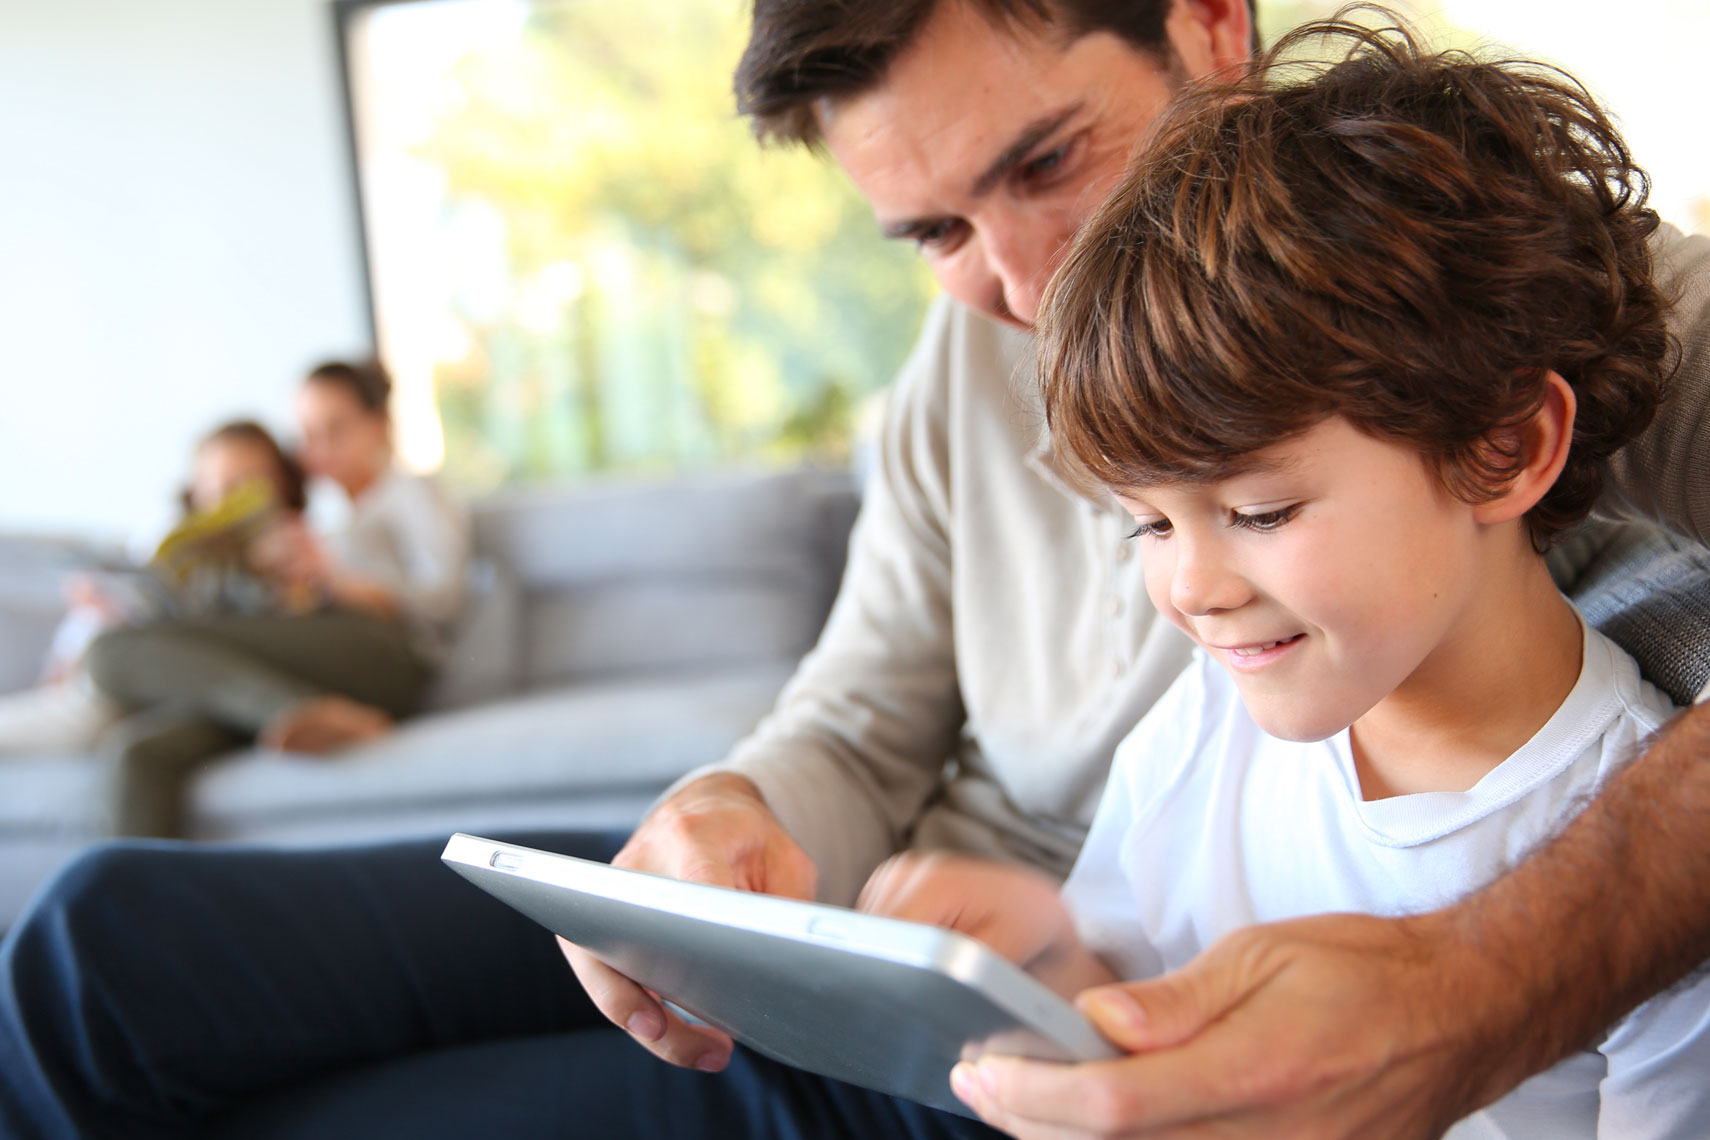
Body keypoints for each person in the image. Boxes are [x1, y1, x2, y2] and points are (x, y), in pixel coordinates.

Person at [0, 1, 1706, 1137]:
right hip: (918, 931)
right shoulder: (966, 373)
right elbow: (869, 707)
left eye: (1046, 162)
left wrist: (1476, 987)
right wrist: (749, 820)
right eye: (936, 231)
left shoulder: (1546, 314)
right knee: (99, 939)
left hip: (1012, 1063)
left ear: (1206, 23)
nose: (1024, 283)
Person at [858, 18, 1710, 1137]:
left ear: (1503, 447)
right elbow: (1121, 1032)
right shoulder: (1199, 734)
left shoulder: (1650, 887)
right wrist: (1035, 970)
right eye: (1147, 527)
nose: (1192, 589)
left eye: (1260, 512)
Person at [81, 360, 470, 836]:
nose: (320, 450)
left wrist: (333, 577)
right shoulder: (329, 513)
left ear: (379, 425)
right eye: (308, 436)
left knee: (111, 651)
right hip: (310, 669)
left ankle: (288, 708)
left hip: (382, 653)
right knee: (139, 752)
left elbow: (442, 600)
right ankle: (130, 909)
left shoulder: (411, 492)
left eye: (336, 430)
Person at [0, 419, 309, 758]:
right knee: (99, 674)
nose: (228, 497)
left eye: (245, 483)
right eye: (216, 486)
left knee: (99, 717)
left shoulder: (302, 550)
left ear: (281, 484)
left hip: (190, 687)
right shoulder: (162, 539)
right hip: (115, 674)